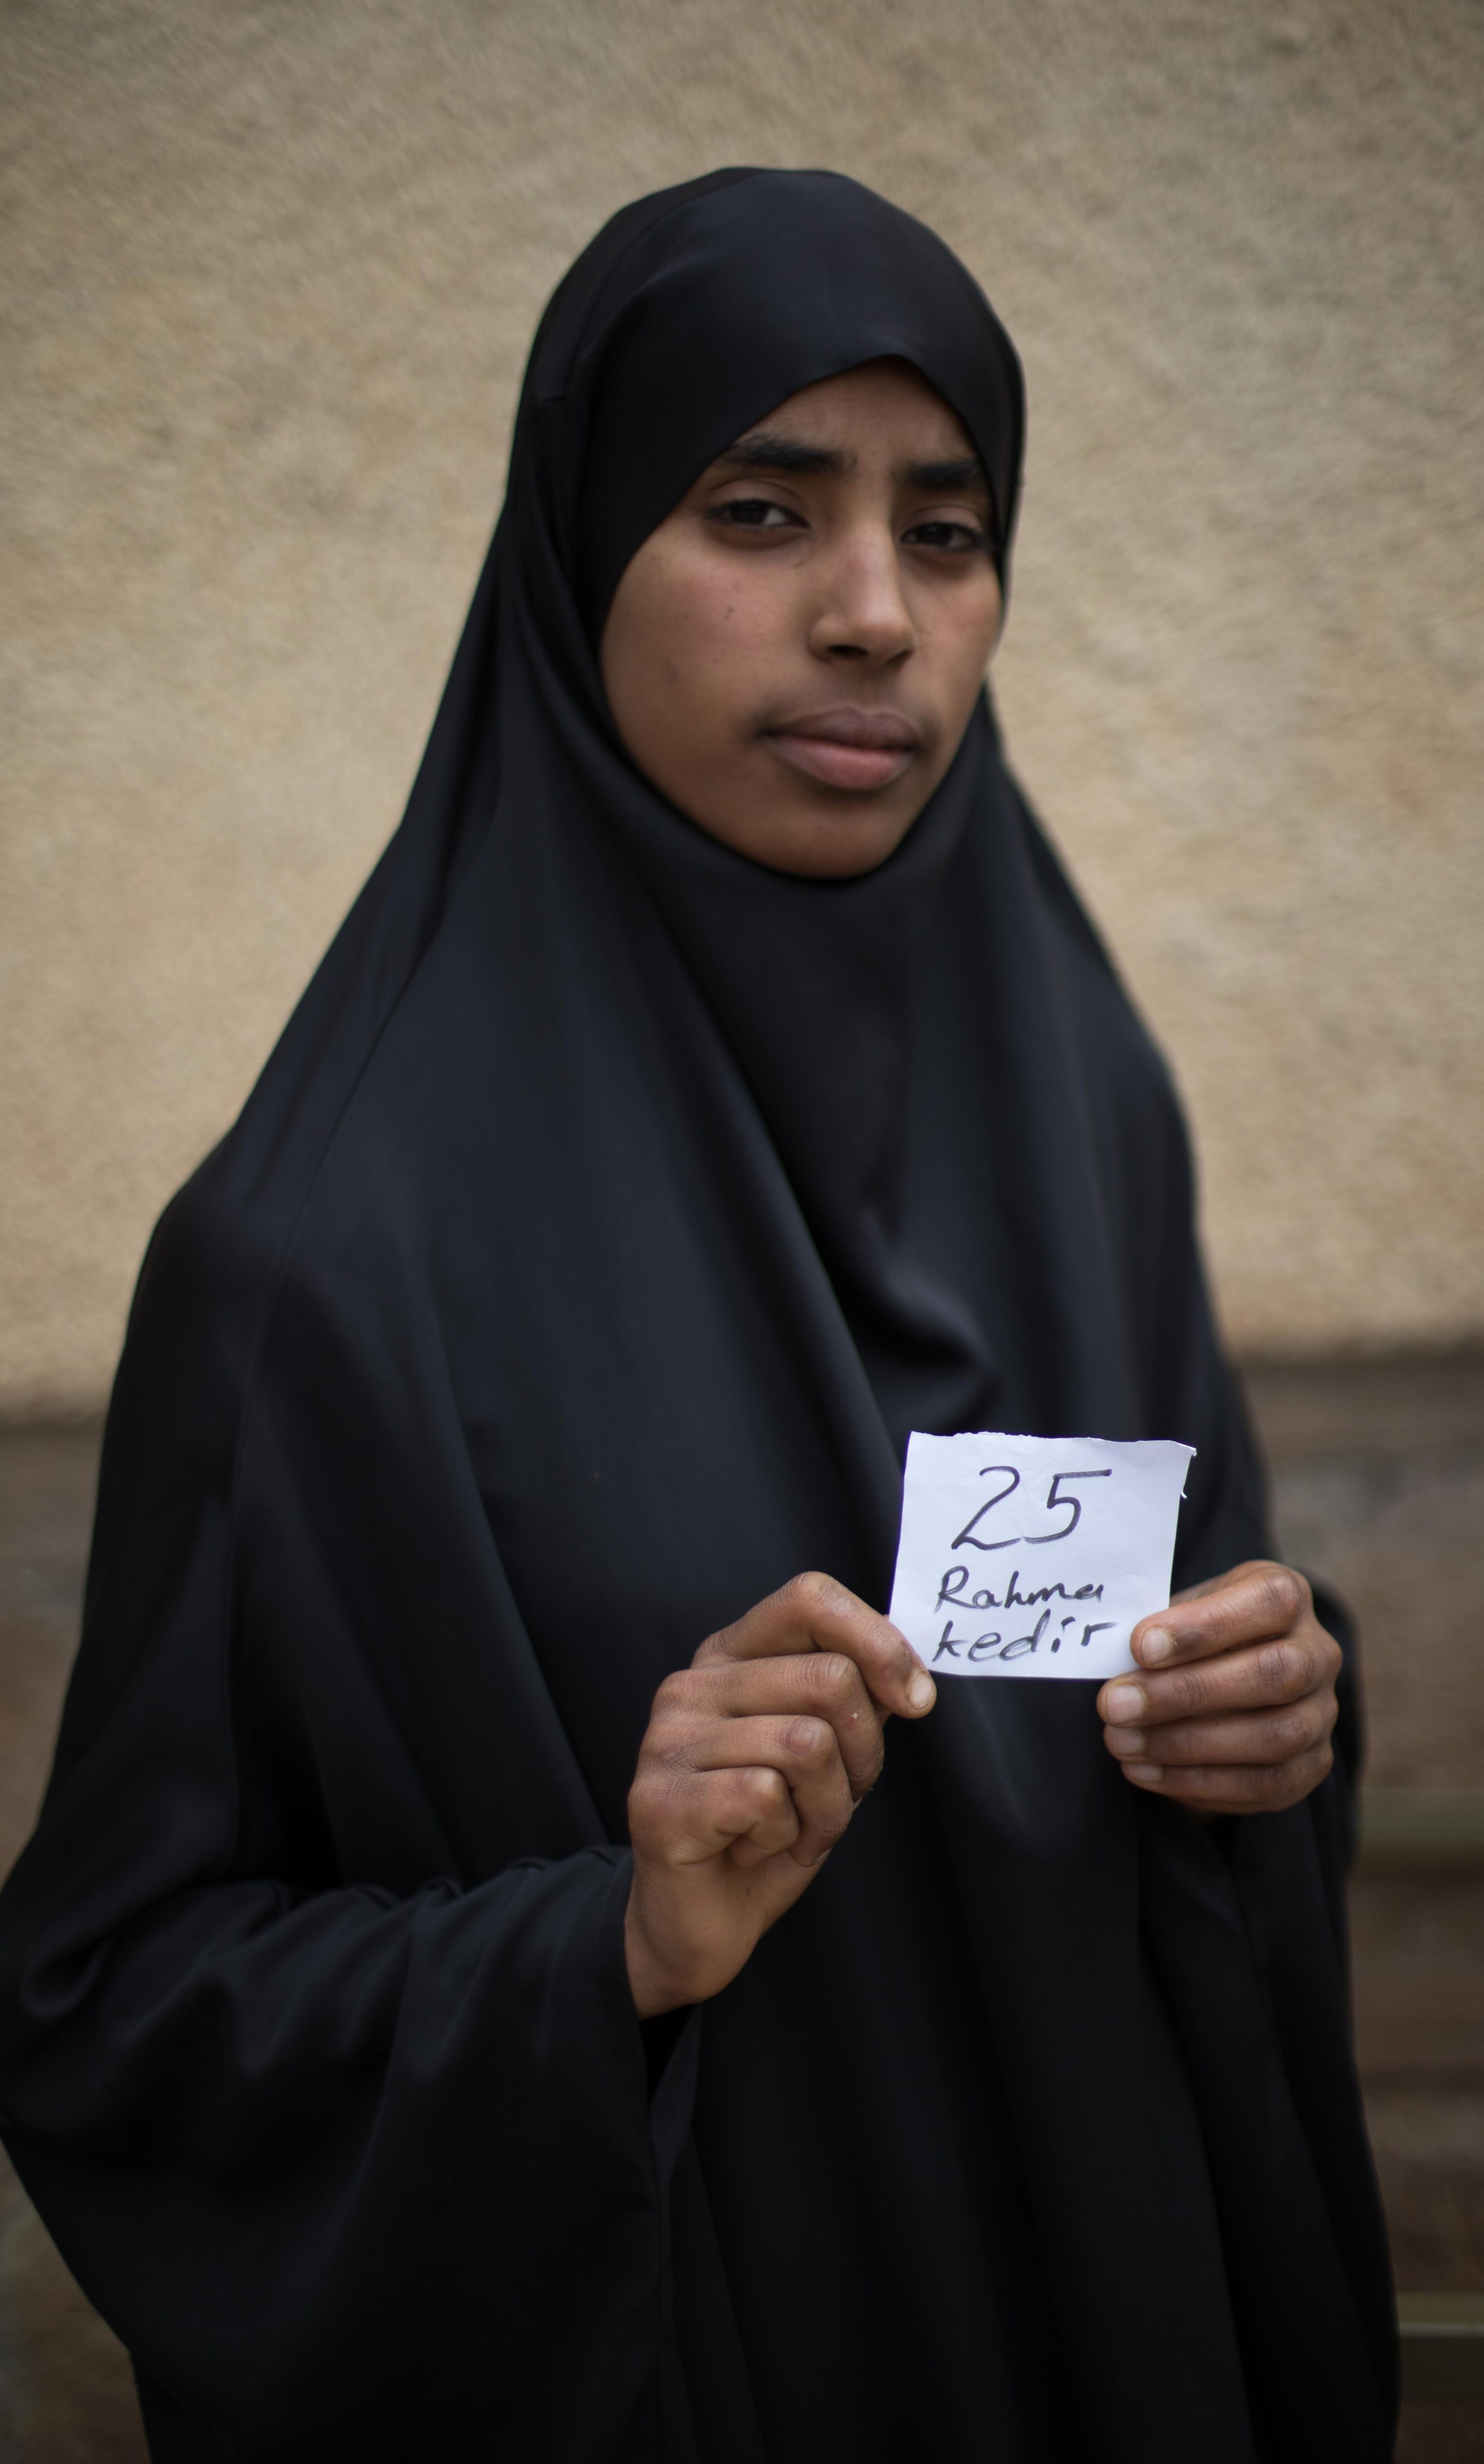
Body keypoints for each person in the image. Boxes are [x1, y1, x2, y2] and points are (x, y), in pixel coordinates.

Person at [0, 169, 1397, 2461]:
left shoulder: (1082, 1101)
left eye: (949, 532)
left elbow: (1186, 1612)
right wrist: (609, 1947)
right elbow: (113, 2009)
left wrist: (1274, 1704)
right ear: (579, 556)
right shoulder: (320, 1259)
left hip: (1103, 2333)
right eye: (761, 511)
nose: (875, 616)